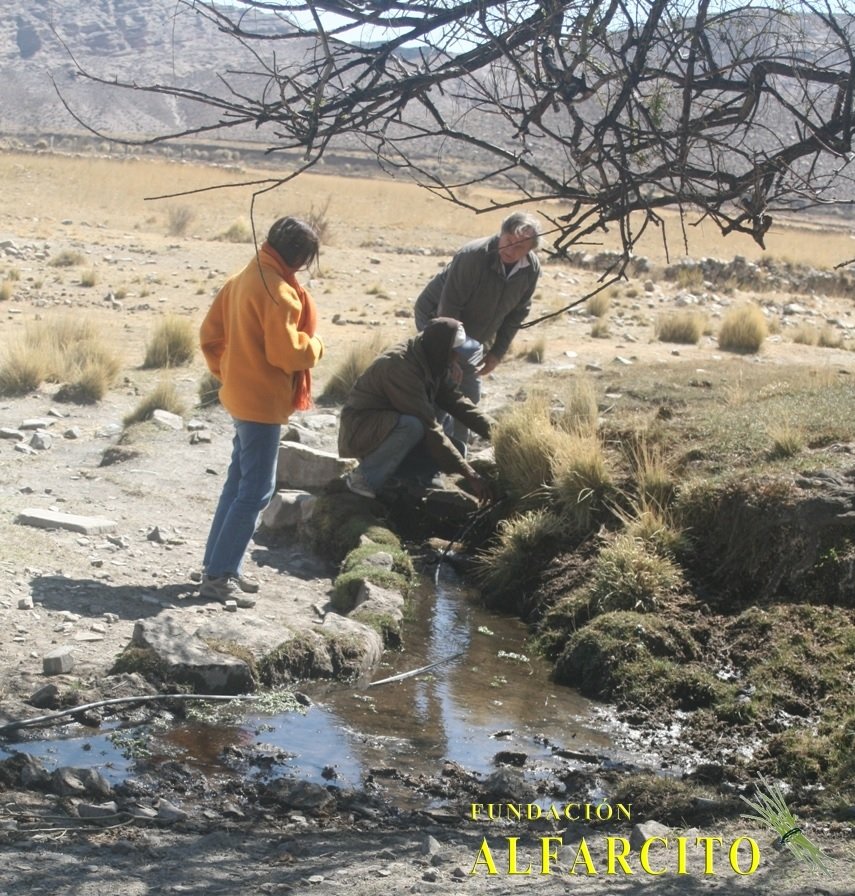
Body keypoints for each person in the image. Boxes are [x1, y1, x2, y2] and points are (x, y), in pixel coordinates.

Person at [199, 216, 324, 607]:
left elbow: (210, 336)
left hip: (240, 396)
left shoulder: (244, 276)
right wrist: (316, 346)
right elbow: (287, 353)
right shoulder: (278, 291)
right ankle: (219, 576)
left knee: (238, 484)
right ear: (299, 258)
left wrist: (228, 373)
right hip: (261, 404)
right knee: (256, 491)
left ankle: (219, 566)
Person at [413, 211, 542, 452]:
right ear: (501, 234)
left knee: (468, 397)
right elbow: (449, 307)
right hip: (437, 319)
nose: (511, 249)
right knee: (444, 386)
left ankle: (456, 456)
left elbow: (517, 314)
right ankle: (425, 452)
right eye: (508, 240)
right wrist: (449, 357)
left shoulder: (530, 270)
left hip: (474, 335)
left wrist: (497, 352)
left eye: (520, 247)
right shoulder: (472, 257)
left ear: (530, 250)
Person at [338, 318, 492, 501]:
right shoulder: (400, 366)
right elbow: (429, 425)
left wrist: (498, 431)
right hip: (362, 433)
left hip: (387, 430)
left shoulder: (433, 359)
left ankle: (405, 480)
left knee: (458, 446)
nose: (457, 358)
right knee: (413, 425)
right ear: (442, 349)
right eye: (455, 352)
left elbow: (456, 402)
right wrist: (470, 474)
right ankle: (363, 478)